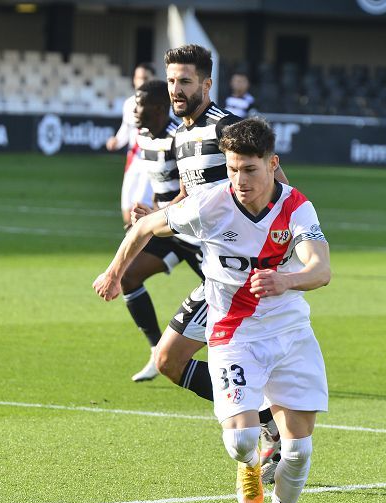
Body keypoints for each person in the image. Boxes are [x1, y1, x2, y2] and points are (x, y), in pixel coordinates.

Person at [95, 118, 330, 503]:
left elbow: (321, 269)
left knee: (298, 451)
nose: (241, 180)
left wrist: (287, 280)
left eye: (251, 170)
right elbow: (145, 229)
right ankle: (249, 463)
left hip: (290, 332)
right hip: (233, 333)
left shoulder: (298, 208)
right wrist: (114, 272)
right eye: (234, 168)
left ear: (272, 164)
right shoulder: (208, 205)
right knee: (240, 441)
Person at [137, 44, 292, 473]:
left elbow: (280, 188)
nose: (176, 89)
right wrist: (157, 215)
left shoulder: (227, 126)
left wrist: (280, 245)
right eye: (171, 81)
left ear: (207, 83)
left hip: (238, 278)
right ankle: (268, 422)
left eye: (185, 81)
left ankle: (268, 424)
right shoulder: (182, 136)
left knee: (171, 359)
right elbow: (192, 197)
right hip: (215, 274)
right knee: (168, 361)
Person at [119, 79, 203, 382]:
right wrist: (148, 215)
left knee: (230, 300)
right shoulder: (143, 137)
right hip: (168, 229)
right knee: (128, 275)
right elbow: (161, 187)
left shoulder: (177, 139)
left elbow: (188, 191)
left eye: (139, 104)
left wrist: (154, 216)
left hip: (194, 233)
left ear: (156, 108)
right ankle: (157, 351)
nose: (134, 110)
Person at [106, 62, 156, 226]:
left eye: (145, 78)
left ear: (152, 79)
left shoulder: (161, 105)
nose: (141, 81)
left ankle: (145, 249)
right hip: (133, 162)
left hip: (150, 163)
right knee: (127, 212)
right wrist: (116, 141)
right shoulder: (129, 104)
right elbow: (125, 130)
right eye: (138, 77)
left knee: (140, 208)